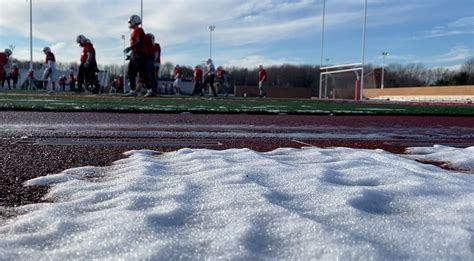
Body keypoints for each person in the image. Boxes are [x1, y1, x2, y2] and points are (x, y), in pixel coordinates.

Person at [123, 14, 148, 97]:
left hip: (139, 54)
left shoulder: (139, 30)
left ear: (135, 21)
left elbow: (140, 42)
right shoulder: (135, 31)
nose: (130, 24)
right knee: (131, 72)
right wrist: (131, 55)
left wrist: (130, 48)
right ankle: (133, 90)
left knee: (142, 73)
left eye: (131, 22)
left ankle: (150, 89)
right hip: (136, 54)